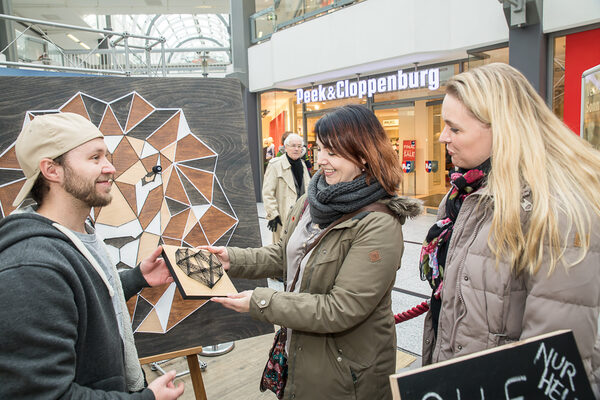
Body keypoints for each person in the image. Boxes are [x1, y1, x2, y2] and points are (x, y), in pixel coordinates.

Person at [207, 105, 422, 400]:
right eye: (319, 148)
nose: (320, 160)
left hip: (346, 373)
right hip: (302, 354)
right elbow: (283, 256)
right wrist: (231, 259)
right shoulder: (312, 200)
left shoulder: (379, 223)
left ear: (363, 155)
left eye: (332, 152)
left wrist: (261, 302)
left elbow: (340, 308)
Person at [419, 63, 600, 396]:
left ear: (502, 129)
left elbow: (552, 359)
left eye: (454, 129)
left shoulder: (557, 209)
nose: (442, 136)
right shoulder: (466, 190)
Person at [0, 112, 185, 399]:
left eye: (107, 157)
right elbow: (44, 394)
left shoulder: (80, 234)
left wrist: (137, 278)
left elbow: (81, 302)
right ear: (52, 170)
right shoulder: (31, 269)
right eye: (95, 158)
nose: (110, 167)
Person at [262, 133, 311, 244]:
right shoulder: (275, 165)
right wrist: (273, 215)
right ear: (286, 147)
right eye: (293, 145)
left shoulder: (302, 164)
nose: (296, 149)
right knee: (282, 250)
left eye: (299, 146)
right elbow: (268, 193)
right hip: (283, 217)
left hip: (302, 216)